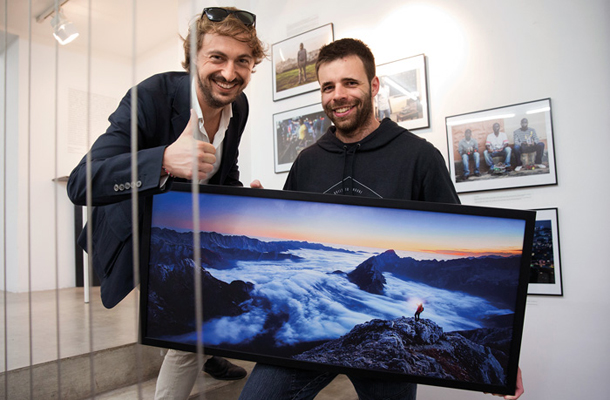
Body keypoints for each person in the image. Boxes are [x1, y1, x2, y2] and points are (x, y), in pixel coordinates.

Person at [243, 38, 523, 400]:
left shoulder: (419, 156)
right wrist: (263, 210)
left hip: (388, 330)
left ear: (374, 86)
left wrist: (502, 357)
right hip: (314, 330)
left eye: (350, 83)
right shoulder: (307, 160)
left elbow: (463, 225)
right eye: (327, 87)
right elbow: (291, 224)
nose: (337, 95)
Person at [66, 6, 266, 400]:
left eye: (242, 61)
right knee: (186, 327)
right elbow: (81, 181)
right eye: (217, 58)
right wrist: (163, 160)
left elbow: (226, 170)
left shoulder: (237, 107)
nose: (230, 73)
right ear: (192, 59)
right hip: (139, 229)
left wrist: (245, 203)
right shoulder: (150, 96)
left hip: (193, 225)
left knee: (199, 313)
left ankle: (206, 353)